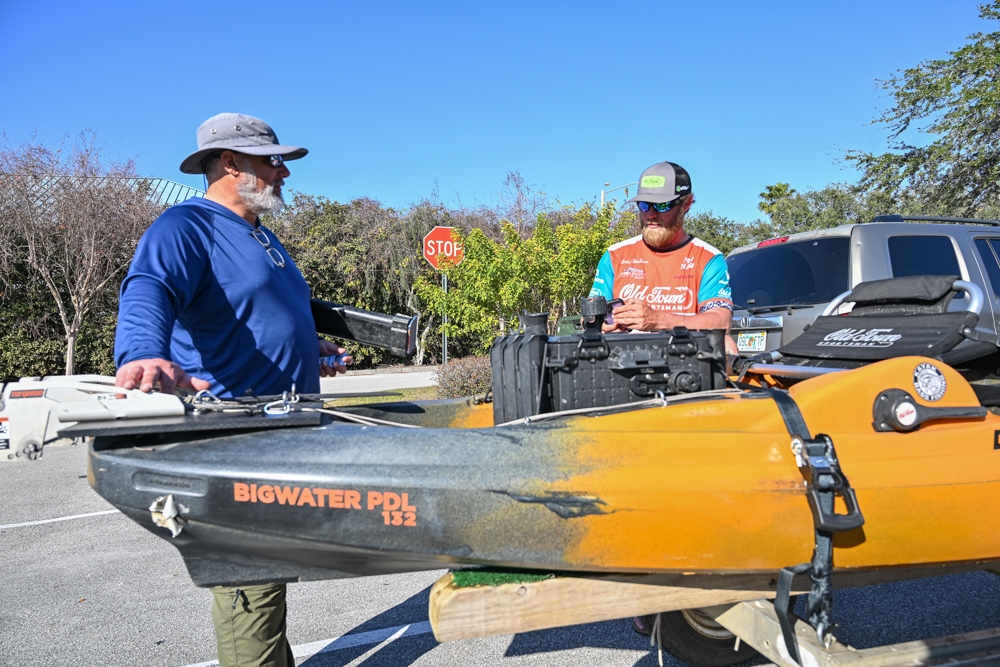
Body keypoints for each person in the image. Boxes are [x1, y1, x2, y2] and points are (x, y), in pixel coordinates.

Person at [114, 113, 350, 667]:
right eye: (273, 161)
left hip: (284, 431)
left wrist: (309, 347)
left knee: (267, 583)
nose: (284, 172)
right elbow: (148, 286)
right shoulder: (186, 226)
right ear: (230, 163)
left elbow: (257, 313)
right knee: (251, 581)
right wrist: (142, 353)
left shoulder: (261, 235)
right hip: (235, 437)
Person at [589, 161, 736, 353]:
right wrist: (600, 324)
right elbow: (589, 317)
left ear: (686, 204)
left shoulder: (708, 257)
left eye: (662, 205)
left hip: (682, 356)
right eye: (644, 205)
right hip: (622, 357)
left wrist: (658, 320)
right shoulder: (615, 255)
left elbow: (721, 323)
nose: (651, 215)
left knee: (727, 345)